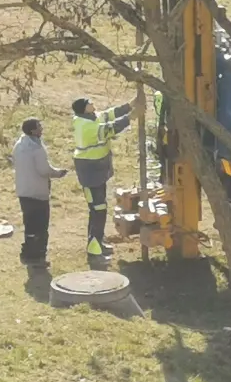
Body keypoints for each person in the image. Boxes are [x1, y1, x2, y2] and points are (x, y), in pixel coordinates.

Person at [72, 93, 142, 264]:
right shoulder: (85, 126)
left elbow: (110, 114)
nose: (93, 103)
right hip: (89, 171)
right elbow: (109, 129)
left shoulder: (91, 117)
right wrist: (131, 117)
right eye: (90, 102)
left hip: (97, 170)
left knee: (100, 209)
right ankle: (94, 251)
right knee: (97, 210)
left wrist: (130, 104)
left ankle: (99, 242)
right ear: (83, 108)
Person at [13, 118, 69, 269]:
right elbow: (44, 170)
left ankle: (27, 253)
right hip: (37, 192)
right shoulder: (37, 148)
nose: (42, 129)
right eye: (39, 127)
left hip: (23, 191)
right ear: (33, 131)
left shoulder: (19, 145)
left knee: (29, 225)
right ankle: (38, 256)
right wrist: (58, 173)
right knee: (40, 227)